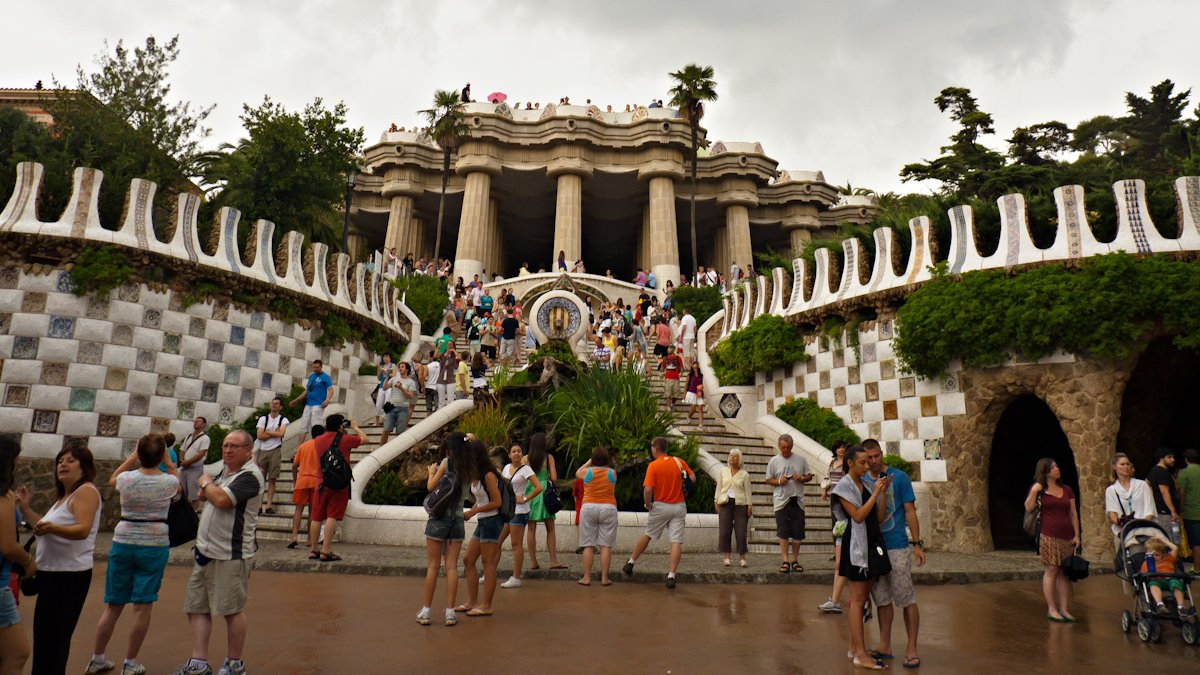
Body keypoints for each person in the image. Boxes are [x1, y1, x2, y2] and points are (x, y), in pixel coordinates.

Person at [172, 429, 264, 675]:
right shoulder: (225, 472)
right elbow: (210, 496)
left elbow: (222, 500)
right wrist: (209, 489)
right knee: (197, 606)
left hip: (231, 554)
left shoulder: (251, 476)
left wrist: (205, 483)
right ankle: (199, 663)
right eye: (225, 446)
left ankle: (234, 664)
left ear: (248, 450)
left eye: (234, 446)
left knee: (232, 610)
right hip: (205, 552)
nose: (227, 450)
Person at [87, 434, 181, 675]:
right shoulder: (169, 482)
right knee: (143, 605)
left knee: (113, 605)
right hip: (154, 542)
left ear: (139, 454)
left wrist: (131, 458)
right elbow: (179, 485)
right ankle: (130, 662)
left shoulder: (127, 479)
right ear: (162, 454)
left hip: (124, 540)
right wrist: (169, 463)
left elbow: (111, 479)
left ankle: (97, 657)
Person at [15, 444, 101, 675]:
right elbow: (43, 526)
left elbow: (82, 530)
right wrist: (25, 509)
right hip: (53, 572)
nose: (63, 464)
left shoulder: (86, 491)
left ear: (84, 467)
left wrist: (52, 528)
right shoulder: (64, 497)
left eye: (71, 460)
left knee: (54, 640)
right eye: (60, 460)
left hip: (69, 575)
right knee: (45, 639)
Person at [862, 439, 925, 670]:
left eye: (876, 456)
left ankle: (911, 648)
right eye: (868, 457)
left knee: (906, 596)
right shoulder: (863, 481)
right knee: (882, 598)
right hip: (875, 547)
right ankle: (885, 644)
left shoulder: (899, 478)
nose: (873, 461)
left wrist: (917, 543)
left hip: (897, 544)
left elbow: (910, 511)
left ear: (882, 454)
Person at [832, 444, 892, 670]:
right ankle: (859, 653)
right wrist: (875, 492)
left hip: (868, 545)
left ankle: (854, 648)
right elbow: (857, 516)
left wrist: (882, 492)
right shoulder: (844, 486)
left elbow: (876, 515)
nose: (868, 465)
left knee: (862, 599)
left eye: (869, 461)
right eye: (863, 462)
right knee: (858, 601)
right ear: (850, 463)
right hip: (856, 547)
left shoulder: (861, 484)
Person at [623, 437, 696, 588]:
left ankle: (631, 562)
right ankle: (671, 575)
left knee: (648, 534)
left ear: (655, 449)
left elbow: (648, 489)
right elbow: (693, 478)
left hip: (661, 505)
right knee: (676, 541)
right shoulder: (679, 461)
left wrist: (648, 504)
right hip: (679, 505)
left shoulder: (653, 466)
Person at [418, 433, 471, 626]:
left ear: (449, 449)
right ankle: (450, 612)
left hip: (438, 519)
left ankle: (426, 611)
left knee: (433, 566)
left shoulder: (446, 463)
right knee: (452, 567)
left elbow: (431, 487)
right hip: (457, 520)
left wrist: (431, 472)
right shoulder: (469, 466)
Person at [1024, 458, 1079, 623]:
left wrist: (1077, 535)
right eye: (1053, 467)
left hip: (1066, 536)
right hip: (1048, 535)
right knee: (1052, 570)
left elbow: (1073, 513)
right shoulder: (1040, 490)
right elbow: (1028, 507)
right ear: (1045, 471)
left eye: (1057, 466)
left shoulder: (1067, 490)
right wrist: (1034, 491)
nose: (1057, 469)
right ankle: (1052, 609)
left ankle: (1064, 609)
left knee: (1064, 573)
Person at [454, 440, 503, 616]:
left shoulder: (488, 475)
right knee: (468, 559)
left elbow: (497, 502)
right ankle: (472, 601)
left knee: (488, 562)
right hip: (483, 520)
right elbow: (482, 500)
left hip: (492, 521)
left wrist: (476, 511)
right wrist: (473, 512)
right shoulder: (476, 475)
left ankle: (486, 605)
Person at [308, 415, 365, 563]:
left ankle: (314, 549)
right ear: (341, 425)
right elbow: (365, 439)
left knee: (316, 517)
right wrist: (355, 427)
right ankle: (326, 550)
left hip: (321, 481)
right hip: (339, 483)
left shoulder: (318, 440)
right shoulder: (345, 439)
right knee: (332, 516)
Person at [0, 435, 32, 674]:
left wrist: (20, 508)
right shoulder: (3, 497)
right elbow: (8, 546)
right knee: (18, 653)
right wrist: (29, 561)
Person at [766, 434, 812, 573]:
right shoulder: (774, 461)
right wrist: (779, 481)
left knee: (798, 532)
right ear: (779, 447)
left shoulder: (800, 459)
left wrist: (801, 478)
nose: (785, 450)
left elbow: (809, 476)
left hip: (797, 499)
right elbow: (768, 479)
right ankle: (785, 560)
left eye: (788, 447)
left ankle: (795, 560)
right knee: (783, 531)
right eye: (783, 447)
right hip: (781, 500)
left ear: (792, 446)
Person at [499, 444, 542, 589]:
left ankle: (516, 577)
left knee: (516, 544)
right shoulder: (506, 468)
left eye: (519, 451)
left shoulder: (526, 469)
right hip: (507, 510)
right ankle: (489, 572)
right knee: (497, 541)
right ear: (509, 455)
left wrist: (524, 498)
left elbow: (538, 487)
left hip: (519, 511)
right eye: (513, 451)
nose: (516, 454)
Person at [575, 447, 619, 585]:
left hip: (589, 507)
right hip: (608, 507)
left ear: (593, 460)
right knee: (605, 546)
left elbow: (577, 473)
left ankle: (586, 577)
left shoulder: (587, 472)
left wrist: (589, 462)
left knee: (588, 545)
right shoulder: (612, 473)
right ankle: (605, 578)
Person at [525, 433, 566, 571]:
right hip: (545, 492)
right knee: (550, 527)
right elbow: (554, 477)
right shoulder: (549, 458)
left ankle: (533, 562)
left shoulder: (526, 459)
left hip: (531, 492)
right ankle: (553, 560)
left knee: (531, 528)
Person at [820, 441, 849, 613]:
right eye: (838, 447)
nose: (841, 449)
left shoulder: (848, 462)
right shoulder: (832, 463)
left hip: (844, 496)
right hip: (834, 496)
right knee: (836, 526)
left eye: (843, 447)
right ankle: (836, 549)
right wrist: (825, 491)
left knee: (842, 525)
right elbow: (828, 478)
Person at [286, 425, 323, 550]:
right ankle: (309, 539)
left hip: (302, 481)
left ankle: (294, 536)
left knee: (298, 510)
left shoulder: (303, 446)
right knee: (312, 511)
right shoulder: (323, 447)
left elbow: (294, 465)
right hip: (316, 482)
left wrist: (295, 480)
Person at [1104, 452, 1156, 542]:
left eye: (1127, 464)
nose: (1126, 467)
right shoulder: (1111, 490)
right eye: (1122, 464)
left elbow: (1150, 511)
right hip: (1124, 532)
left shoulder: (1142, 485)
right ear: (1114, 467)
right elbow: (1113, 515)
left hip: (1145, 532)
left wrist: (1138, 526)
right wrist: (1125, 524)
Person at [1140, 536, 1195, 617]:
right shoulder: (1147, 563)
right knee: (1153, 584)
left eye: (1157, 555)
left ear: (1163, 554)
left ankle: (1180, 606)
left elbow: (1175, 548)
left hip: (1170, 579)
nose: (1154, 557)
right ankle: (1160, 604)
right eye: (1151, 555)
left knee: (1176, 583)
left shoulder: (1168, 558)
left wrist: (1162, 540)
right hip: (1157, 581)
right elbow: (1144, 575)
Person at [715, 448, 752, 568]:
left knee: (741, 531)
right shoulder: (723, 471)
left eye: (735, 456)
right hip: (725, 502)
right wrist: (716, 500)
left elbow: (748, 491)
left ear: (739, 459)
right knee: (725, 530)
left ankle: (742, 557)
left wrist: (750, 505)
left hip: (740, 504)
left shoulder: (744, 474)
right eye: (731, 456)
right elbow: (719, 487)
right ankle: (727, 557)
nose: (732, 458)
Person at [254, 396, 289, 515]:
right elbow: (259, 436)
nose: (274, 405)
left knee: (272, 479)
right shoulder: (263, 418)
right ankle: (258, 505)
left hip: (275, 450)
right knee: (261, 479)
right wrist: (275, 432)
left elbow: (282, 433)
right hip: (263, 450)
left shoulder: (283, 419)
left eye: (276, 403)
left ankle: (269, 504)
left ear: (280, 406)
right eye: (273, 403)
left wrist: (267, 432)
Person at [289, 360, 333, 441]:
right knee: (303, 426)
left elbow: (331, 390)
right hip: (309, 404)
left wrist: (327, 400)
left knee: (316, 425)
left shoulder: (325, 377)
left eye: (317, 367)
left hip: (318, 404)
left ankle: (316, 445)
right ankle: (299, 448)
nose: (315, 369)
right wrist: (297, 399)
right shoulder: (312, 376)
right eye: (314, 367)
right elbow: (307, 390)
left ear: (321, 367)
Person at [380, 362, 418, 446]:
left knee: (400, 432)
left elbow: (410, 396)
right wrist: (387, 376)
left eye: (402, 367)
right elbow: (384, 387)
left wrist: (401, 388)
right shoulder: (394, 379)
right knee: (386, 430)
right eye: (399, 367)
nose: (400, 368)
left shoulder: (411, 382)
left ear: (407, 369)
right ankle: (380, 450)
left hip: (403, 409)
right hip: (391, 407)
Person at [1147, 447, 1181, 538]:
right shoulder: (1162, 472)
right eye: (1169, 457)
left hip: (1160, 511)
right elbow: (1164, 491)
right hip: (1165, 512)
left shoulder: (1154, 470)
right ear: (1162, 458)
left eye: (1173, 457)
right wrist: (1173, 511)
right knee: (1169, 538)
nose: (1173, 460)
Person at [178, 417, 211, 508]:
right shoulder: (189, 436)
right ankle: (183, 510)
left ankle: (194, 511)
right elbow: (181, 450)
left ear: (203, 424)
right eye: (195, 421)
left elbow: (201, 453)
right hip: (184, 467)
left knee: (194, 492)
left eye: (198, 421)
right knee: (182, 490)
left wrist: (188, 462)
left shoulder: (205, 438)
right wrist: (182, 460)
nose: (195, 422)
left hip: (195, 468)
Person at [1178, 448, 1200, 572]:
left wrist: (1180, 509)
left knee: (1196, 541)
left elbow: (1182, 493)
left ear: (1186, 460)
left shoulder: (1184, 473)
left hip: (1191, 512)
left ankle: (1197, 568)